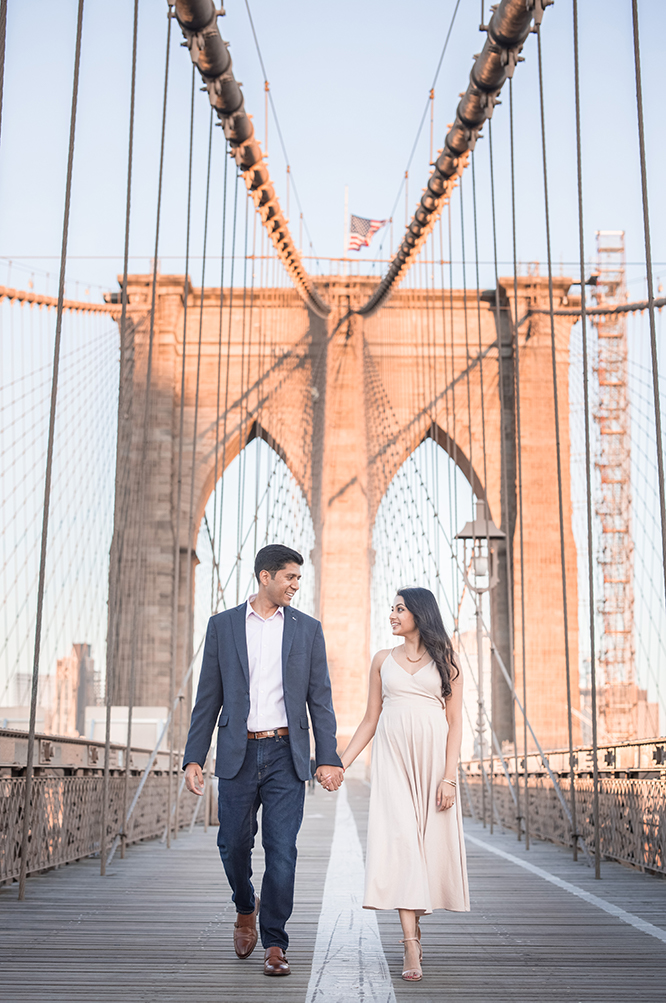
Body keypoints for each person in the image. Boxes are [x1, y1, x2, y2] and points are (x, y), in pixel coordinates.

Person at [182, 544, 344, 977]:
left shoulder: (307, 629)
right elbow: (208, 697)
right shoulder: (223, 626)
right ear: (265, 576)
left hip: (285, 754)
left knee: (282, 851)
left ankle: (275, 941)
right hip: (237, 752)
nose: (296, 585)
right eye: (290, 577)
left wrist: (327, 758)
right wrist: (193, 757)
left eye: (299, 579)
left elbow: (320, 700)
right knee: (231, 844)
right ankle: (244, 905)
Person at [333, 586, 469, 982]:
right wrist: (340, 765)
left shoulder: (448, 660)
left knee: (427, 846)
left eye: (399, 609)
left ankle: (417, 920)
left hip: (433, 764)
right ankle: (410, 943)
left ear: (419, 614)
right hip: (392, 761)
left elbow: (456, 722)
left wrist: (449, 777)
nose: (391, 615)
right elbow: (370, 720)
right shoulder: (381, 660)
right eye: (391, 609)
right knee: (401, 843)